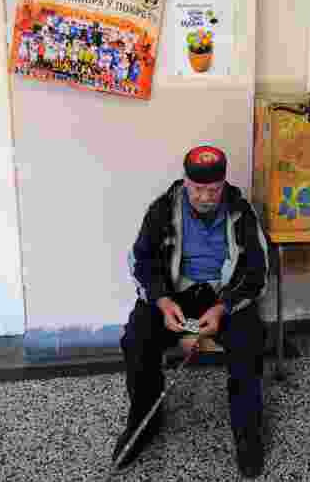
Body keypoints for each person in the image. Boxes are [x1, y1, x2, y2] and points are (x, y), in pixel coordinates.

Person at [115, 146, 269, 477]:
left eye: (213, 190)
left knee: (249, 342)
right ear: (185, 182)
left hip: (221, 296)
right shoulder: (162, 209)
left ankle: (247, 432)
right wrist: (161, 301)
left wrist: (224, 307)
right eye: (197, 188)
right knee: (136, 338)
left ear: (223, 183)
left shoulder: (241, 211)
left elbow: (257, 271)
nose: (204, 197)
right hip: (175, 295)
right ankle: (144, 422)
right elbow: (142, 261)